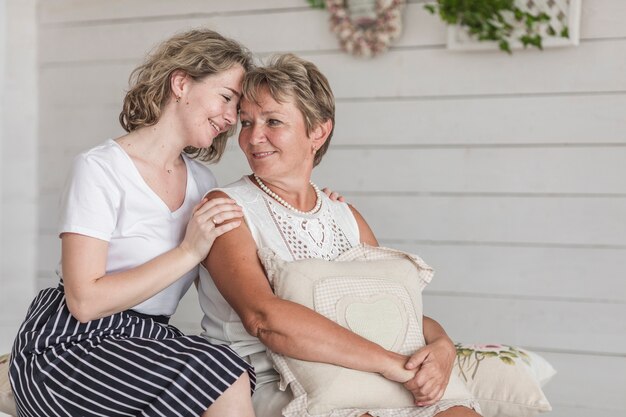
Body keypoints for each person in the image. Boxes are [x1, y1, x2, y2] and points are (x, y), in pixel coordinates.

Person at [197, 54, 483, 417]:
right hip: (274, 379)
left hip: (367, 372)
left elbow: (396, 310)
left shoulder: (345, 217)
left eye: (273, 121)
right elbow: (263, 318)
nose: (254, 137)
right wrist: (388, 364)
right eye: (247, 122)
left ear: (317, 131)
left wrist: (442, 346)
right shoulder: (229, 209)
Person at [9, 29, 257, 417]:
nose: (230, 118)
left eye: (236, 109)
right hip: (71, 343)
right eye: (226, 98)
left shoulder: (203, 184)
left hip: (145, 341)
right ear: (181, 83)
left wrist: (316, 203)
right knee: (218, 372)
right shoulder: (99, 168)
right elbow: (84, 301)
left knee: (226, 367)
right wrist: (188, 251)